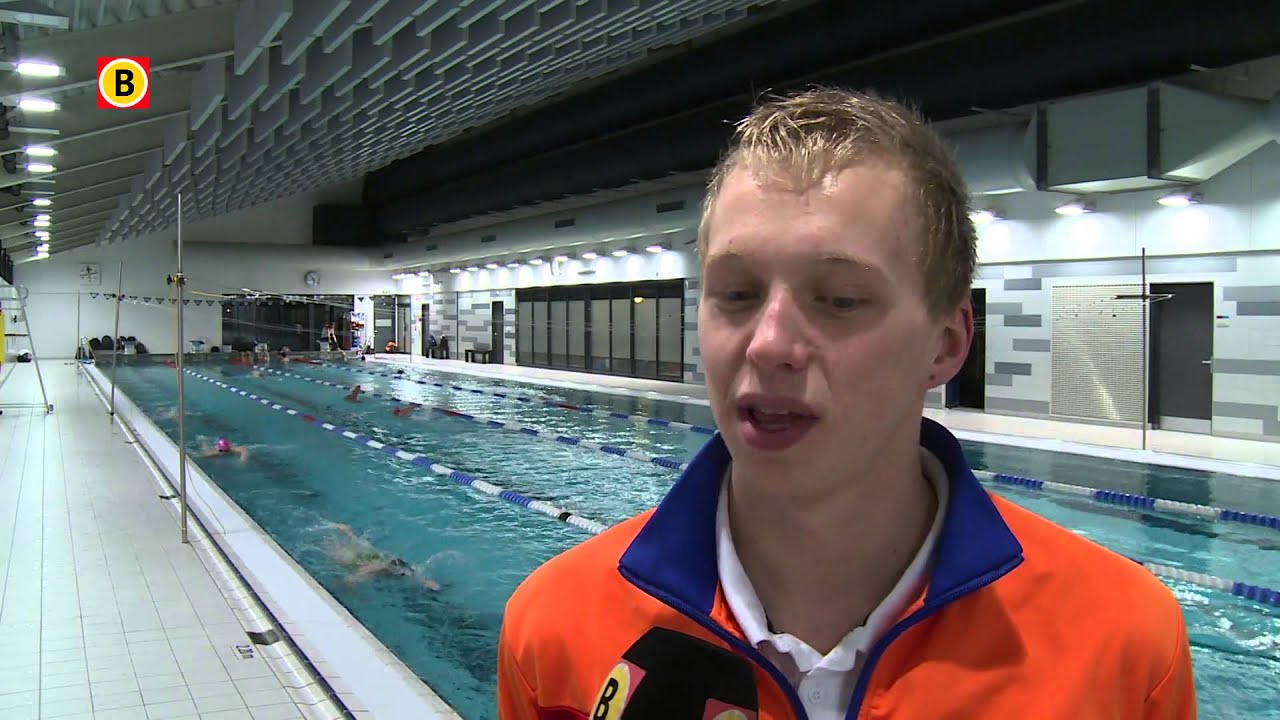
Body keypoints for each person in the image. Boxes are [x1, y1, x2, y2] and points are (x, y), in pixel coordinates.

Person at [496, 88, 1196, 719]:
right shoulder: (557, 628)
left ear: (945, 346)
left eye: (840, 300)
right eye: (736, 293)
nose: (769, 345)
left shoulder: (1120, 643)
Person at [326, 523, 440, 591]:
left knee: (357, 546)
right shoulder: (373, 568)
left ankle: (347, 532)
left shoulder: (378, 563)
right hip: (370, 561)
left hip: (373, 559)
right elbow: (353, 578)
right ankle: (347, 532)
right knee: (352, 550)